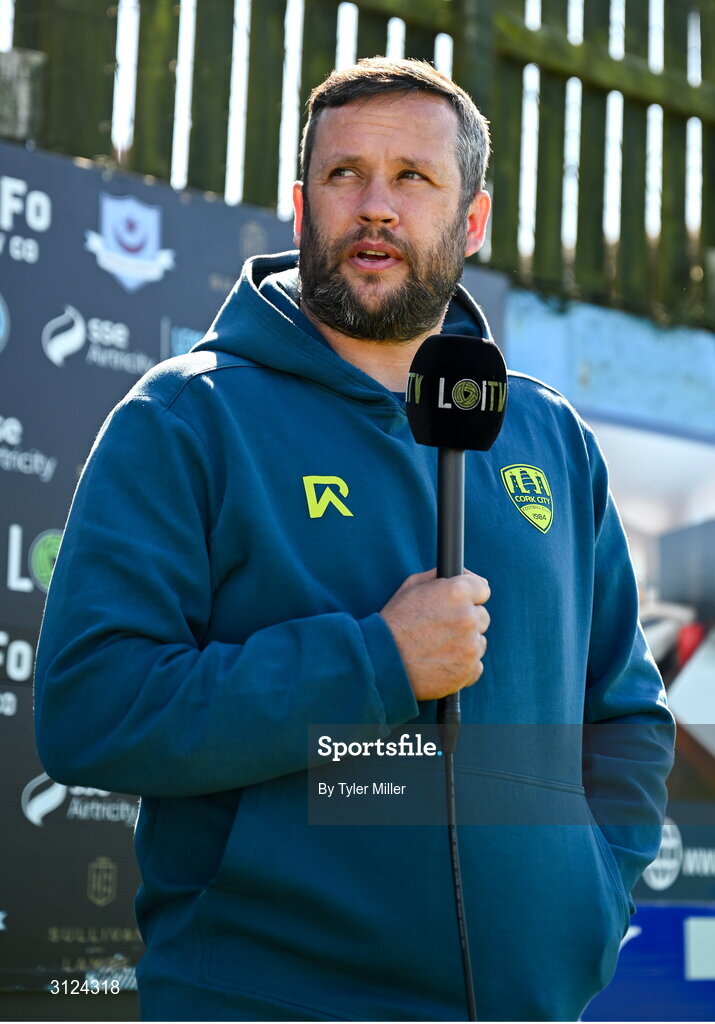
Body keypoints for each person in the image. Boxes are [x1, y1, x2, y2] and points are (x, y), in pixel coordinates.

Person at [34, 58, 674, 1022]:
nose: (375, 206)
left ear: (472, 221)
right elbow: (91, 706)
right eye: (344, 175)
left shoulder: (548, 436)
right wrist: (375, 661)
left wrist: (587, 892)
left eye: (412, 177)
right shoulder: (186, 417)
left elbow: (625, 712)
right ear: (299, 206)